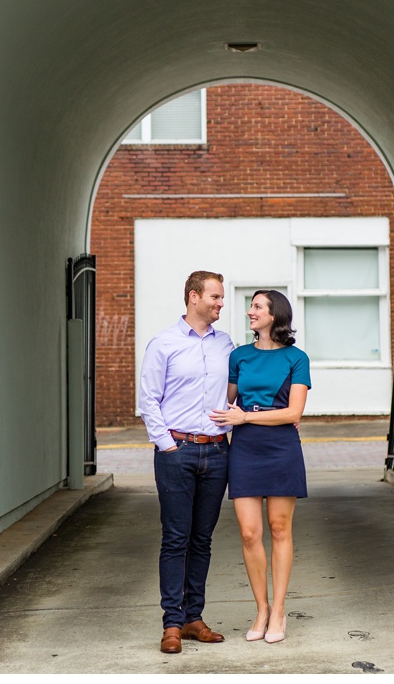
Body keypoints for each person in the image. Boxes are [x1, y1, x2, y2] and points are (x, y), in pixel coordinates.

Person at [138, 270, 235, 654]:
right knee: (176, 539)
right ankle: (172, 624)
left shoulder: (226, 344)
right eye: (215, 296)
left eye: (222, 297)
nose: (221, 303)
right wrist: (167, 446)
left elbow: (238, 390)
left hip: (217, 451)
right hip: (177, 451)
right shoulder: (163, 343)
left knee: (203, 539)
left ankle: (194, 618)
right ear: (194, 297)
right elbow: (149, 399)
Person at [209, 289, 310, 644]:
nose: (249, 311)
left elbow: (294, 413)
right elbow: (226, 402)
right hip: (246, 450)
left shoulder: (297, 358)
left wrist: (250, 418)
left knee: (279, 528)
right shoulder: (240, 356)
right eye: (250, 306)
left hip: (281, 448)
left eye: (257, 307)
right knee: (250, 533)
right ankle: (262, 609)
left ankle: (280, 610)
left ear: (274, 315)